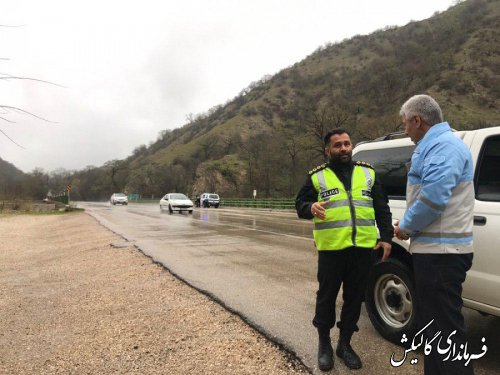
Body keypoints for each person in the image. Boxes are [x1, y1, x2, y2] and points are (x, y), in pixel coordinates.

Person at [295, 128, 393, 371]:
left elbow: (382, 208)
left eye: (347, 144)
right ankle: (324, 345)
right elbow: (300, 204)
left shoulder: (368, 173)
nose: (344, 149)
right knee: (326, 298)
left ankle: (345, 344)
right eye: (338, 145)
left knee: (354, 299)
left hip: (363, 249)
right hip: (332, 251)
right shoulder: (317, 177)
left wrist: (387, 237)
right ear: (328, 150)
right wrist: (311, 208)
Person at [394, 94, 474, 375]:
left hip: (442, 254)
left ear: (418, 120)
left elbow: (433, 198)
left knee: (445, 332)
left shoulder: (443, 146)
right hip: (436, 252)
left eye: (405, 124)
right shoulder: (437, 145)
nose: (405, 130)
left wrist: (405, 226)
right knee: (436, 330)